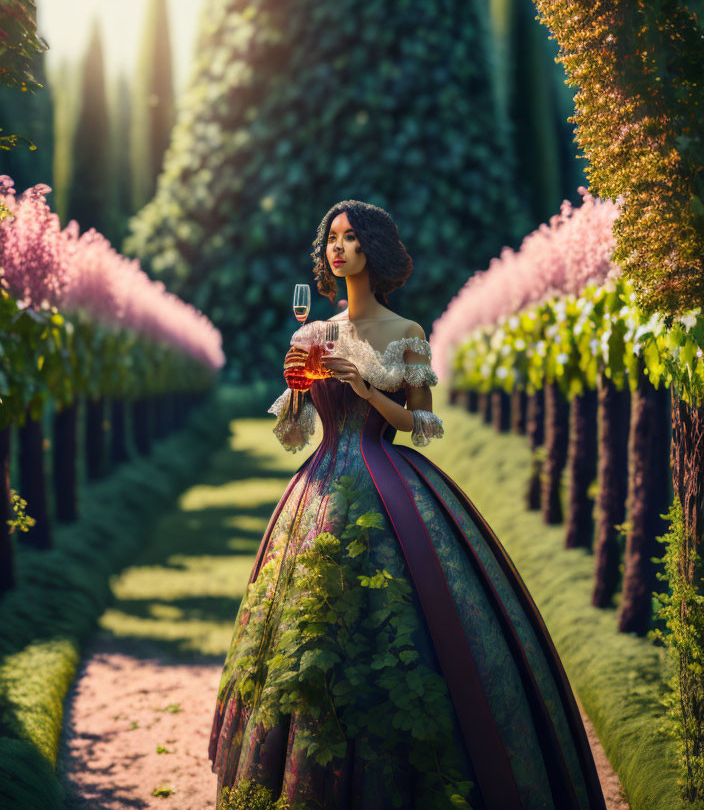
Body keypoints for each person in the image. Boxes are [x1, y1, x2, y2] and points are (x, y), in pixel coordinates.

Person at [208, 200, 608, 810]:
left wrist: (362, 385)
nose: (336, 249)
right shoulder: (311, 333)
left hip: (389, 480)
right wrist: (295, 392)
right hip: (318, 488)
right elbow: (294, 432)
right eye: (331, 240)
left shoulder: (406, 334)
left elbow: (422, 423)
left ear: (374, 249)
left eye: (349, 239)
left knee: (403, 612)